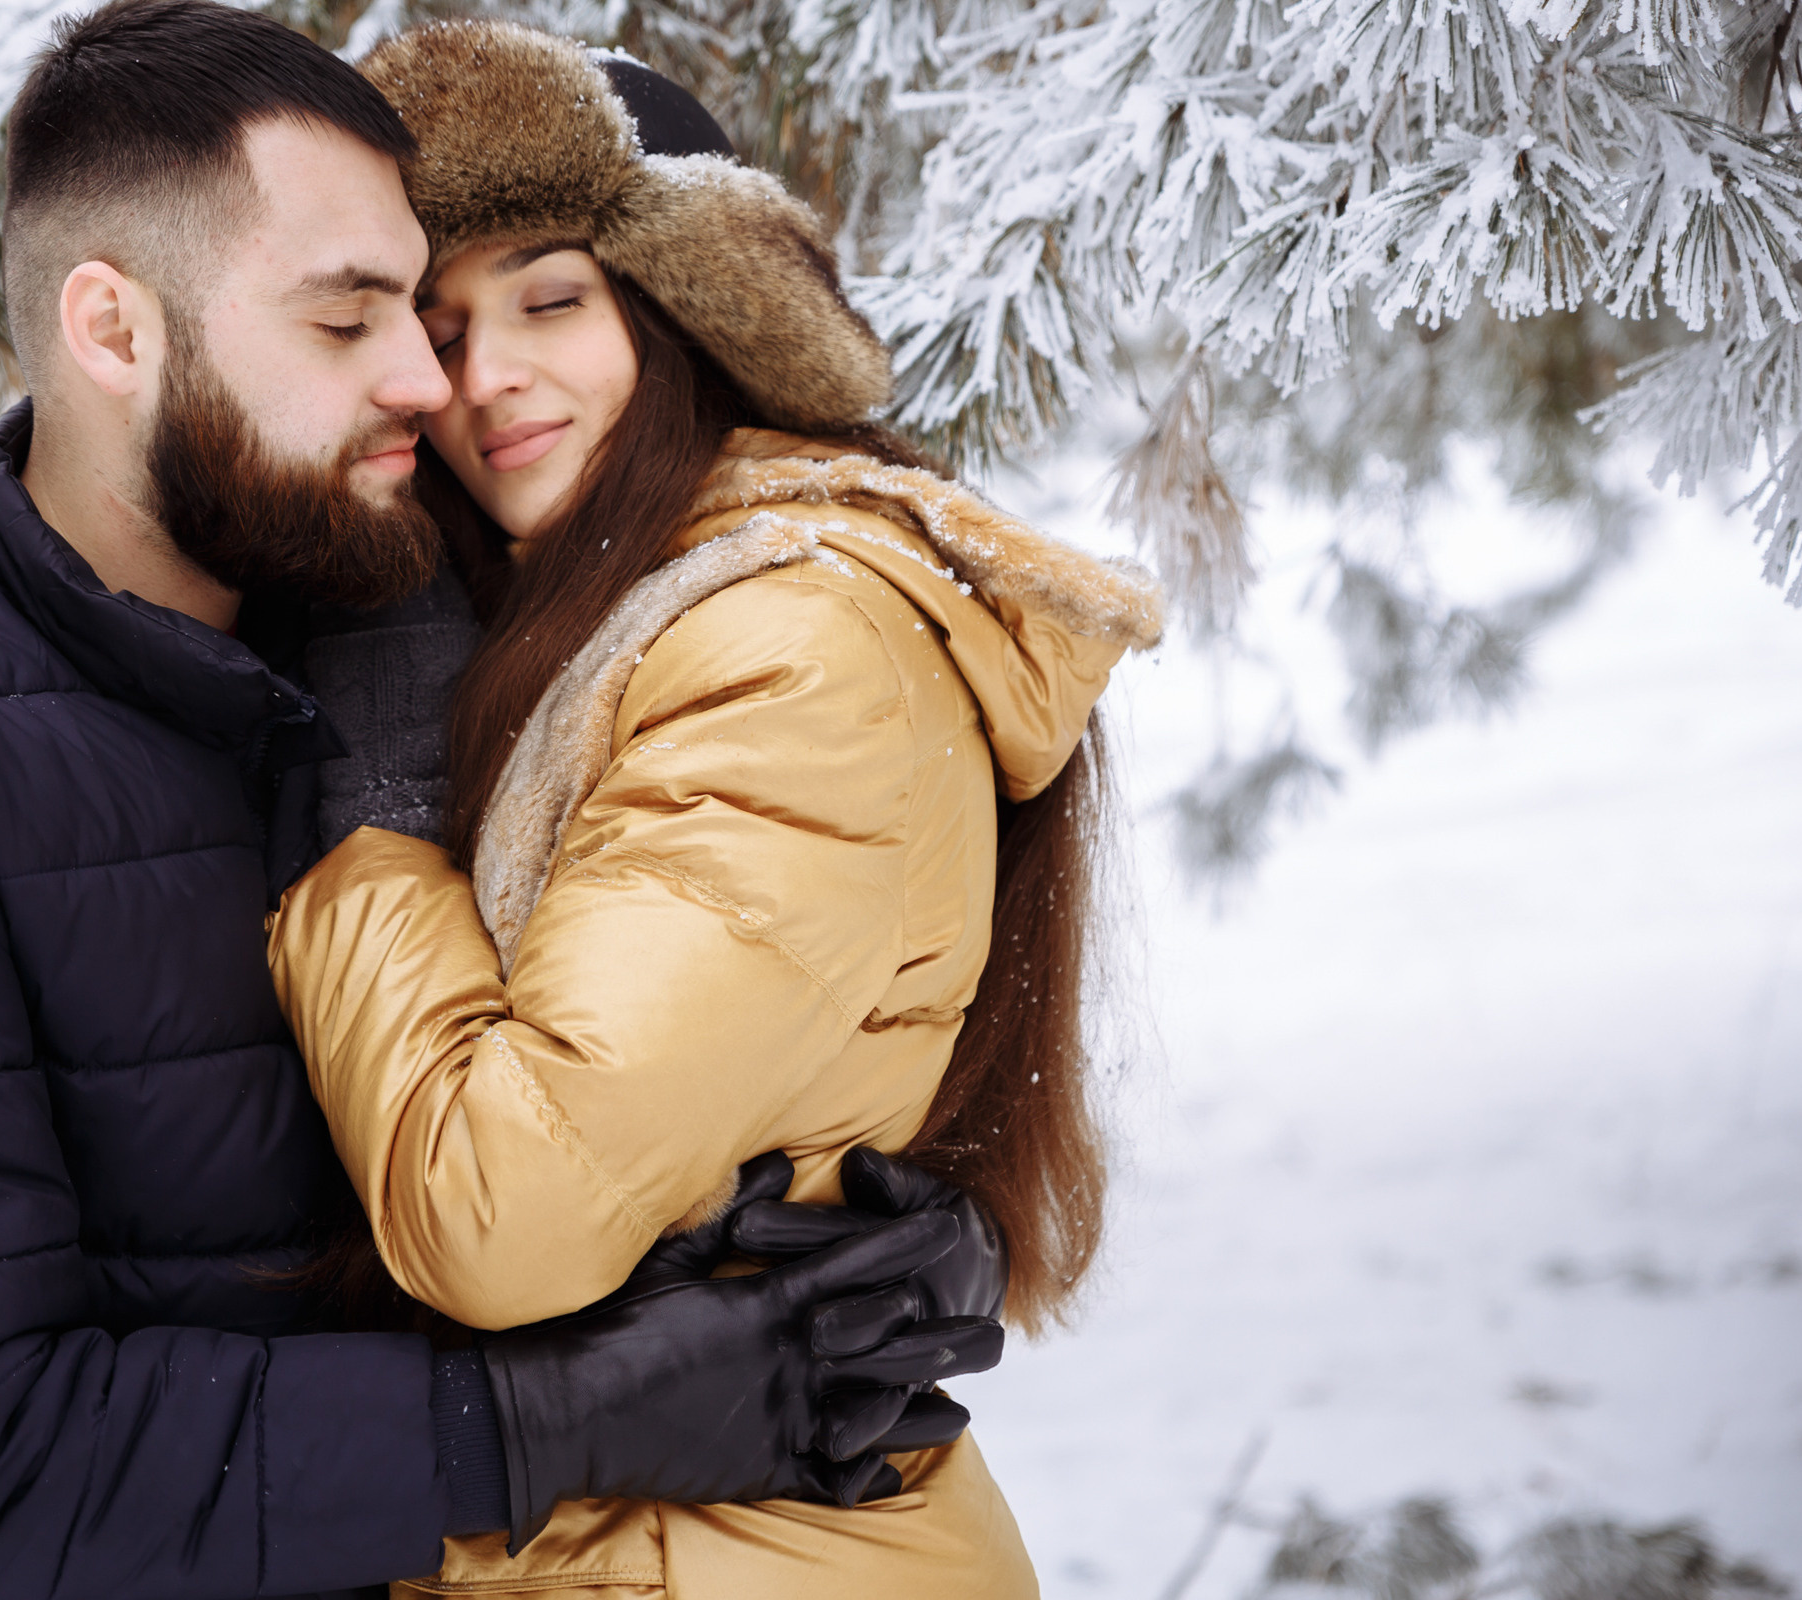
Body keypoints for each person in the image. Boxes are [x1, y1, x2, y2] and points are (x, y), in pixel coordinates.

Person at [0, 5, 1007, 1598]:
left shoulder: (390, 641)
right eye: (352, 323)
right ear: (117, 333)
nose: (434, 377)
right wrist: (560, 1420)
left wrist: (870, 1233)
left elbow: (616, 1074)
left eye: (421, 308)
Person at [268, 21, 1167, 1599]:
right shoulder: (591, 622)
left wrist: (365, 852)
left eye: (554, 299)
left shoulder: (784, 644)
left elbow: (508, 1210)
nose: (488, 380)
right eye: (443, 324)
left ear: (691, 309)